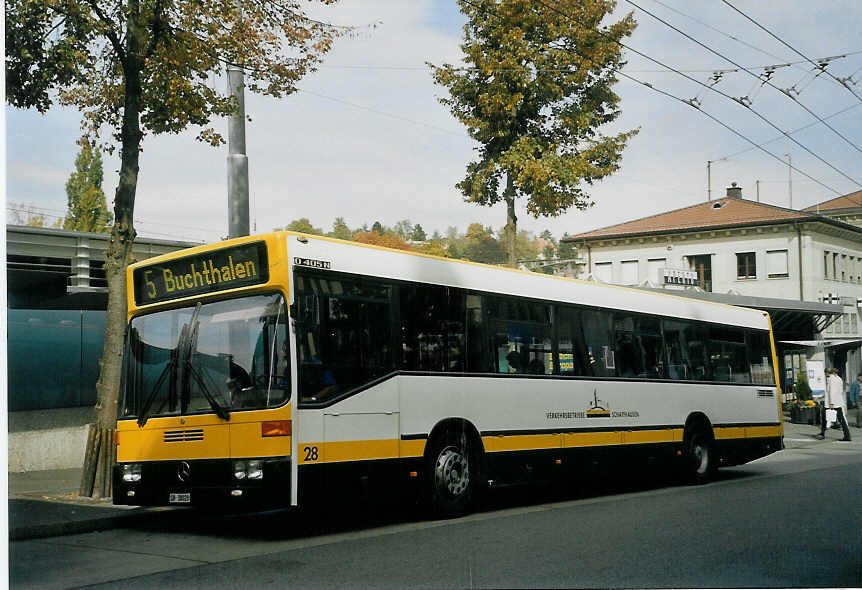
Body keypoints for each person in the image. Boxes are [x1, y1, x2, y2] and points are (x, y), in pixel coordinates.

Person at [819, 368, 851, 441]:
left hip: (831, 403)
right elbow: (839, 390)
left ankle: (822, 433)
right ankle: (847, 435)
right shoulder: (839, 379)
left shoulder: (831, 379)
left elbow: (832, 391)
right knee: (841, 419)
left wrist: (831, 403)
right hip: (838, 402)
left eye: (825, 373)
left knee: (824, 417)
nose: (825, 375)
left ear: (827, 373)